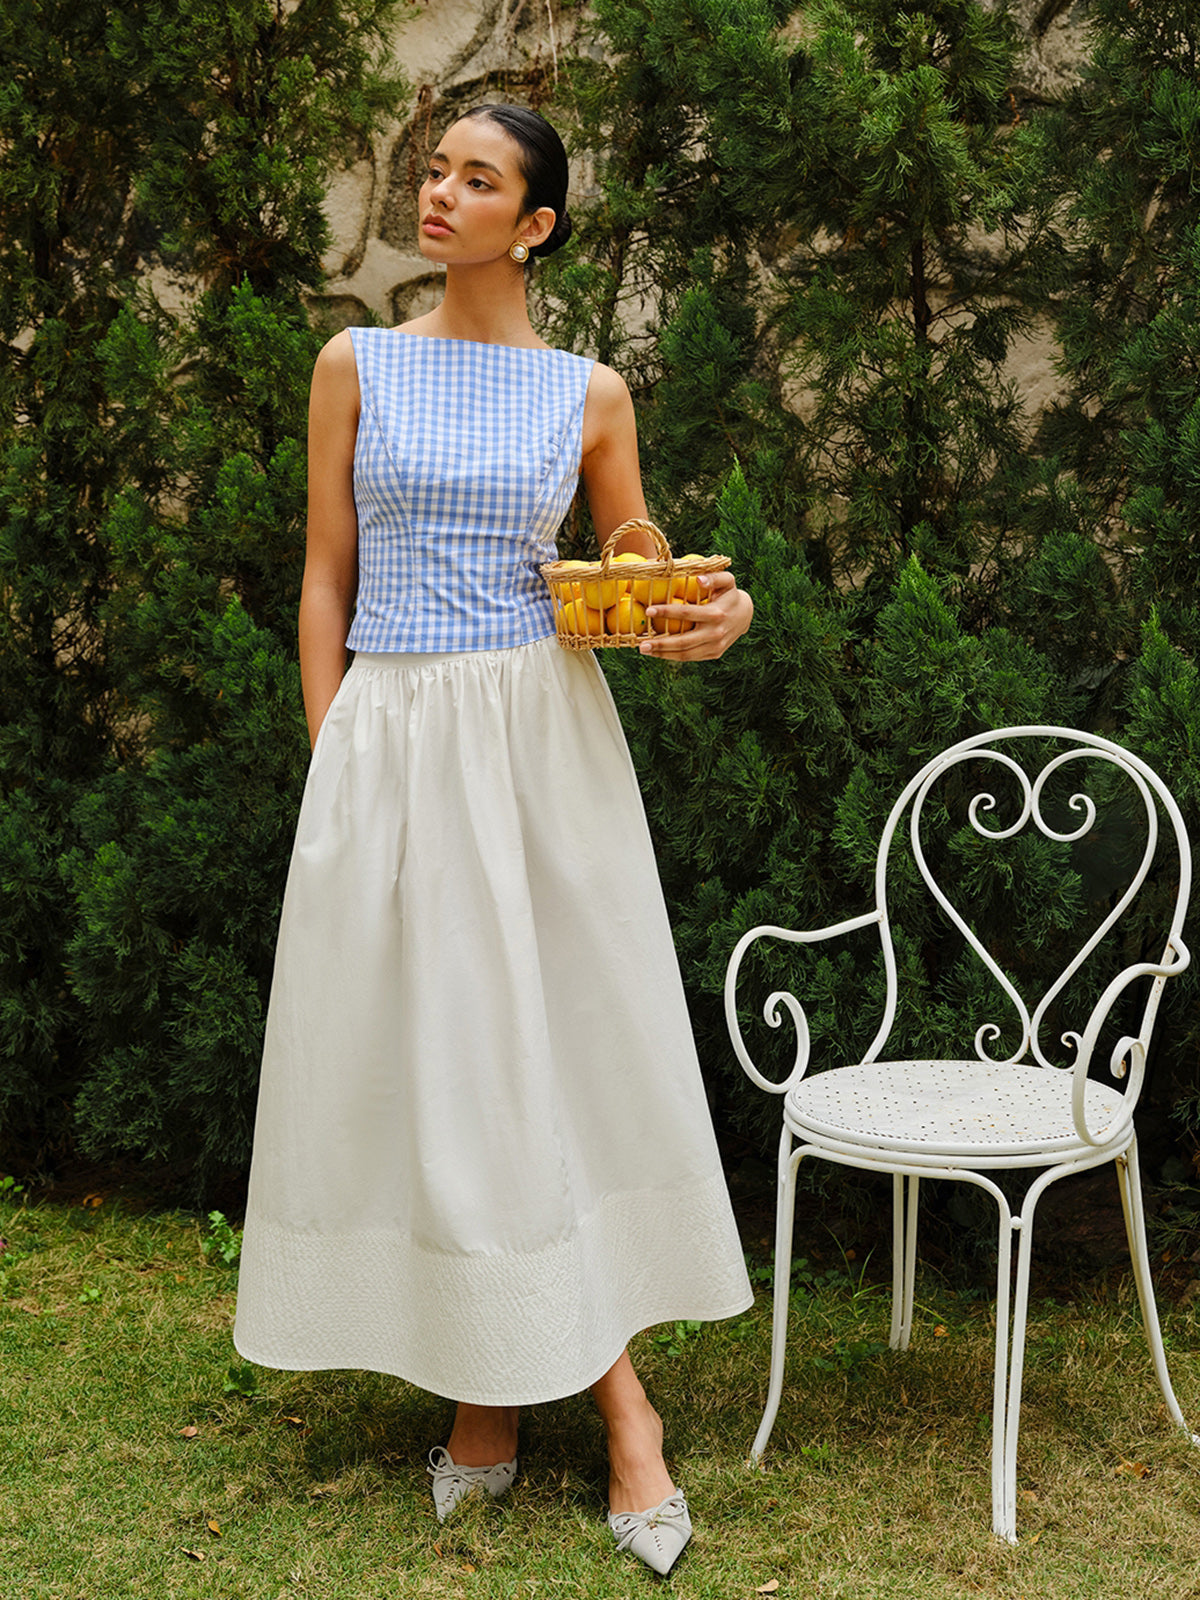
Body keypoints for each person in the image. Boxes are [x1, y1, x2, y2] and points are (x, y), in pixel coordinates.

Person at [233, 102, 754, 1578]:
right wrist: (337, 750)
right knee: (442, 1061)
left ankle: (556, 1405)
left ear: (535, 226)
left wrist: (721, 615)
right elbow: (325, 578)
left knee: (537, 1057)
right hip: (393, 747)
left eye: (479, 179)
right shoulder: (356, 363)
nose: (441, 192)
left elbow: (638, 578)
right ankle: (511, 1386)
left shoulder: (591, 394)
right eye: (436, 170)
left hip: (542, 755)